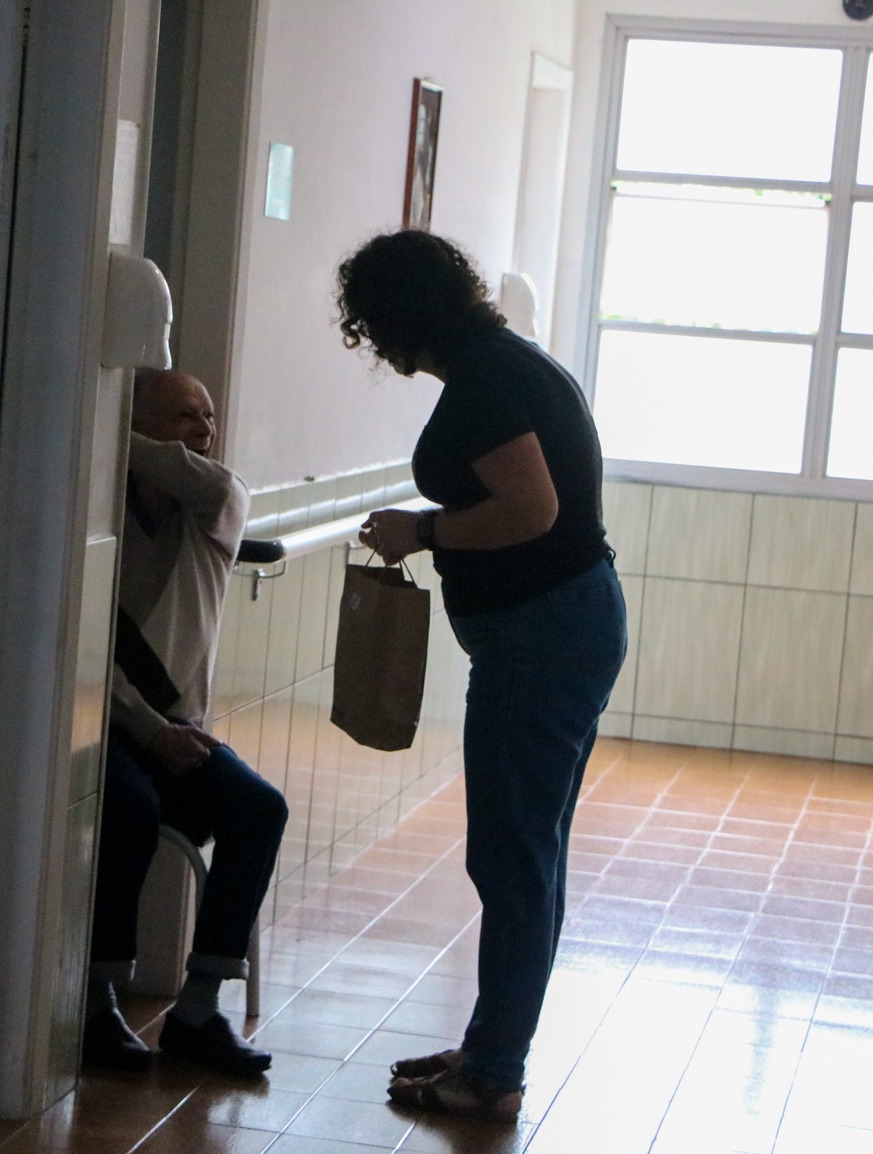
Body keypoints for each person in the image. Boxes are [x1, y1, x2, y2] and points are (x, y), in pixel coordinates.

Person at [336, 230, 627, 1120]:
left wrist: (421, 531)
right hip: (555, 627)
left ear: (396, 317)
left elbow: (530, 510)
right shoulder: (506, 364)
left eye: (368, 324)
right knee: (525, 854)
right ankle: (491, 1046)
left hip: (540, 635)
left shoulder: (489, 381)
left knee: (510, 858)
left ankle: (495, 1069)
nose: (371, 344)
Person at [82, 367, 288, 1077]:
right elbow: (86, 656)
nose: (203, 431)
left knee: (258, 809)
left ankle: (198, 1009)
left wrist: (107, 429)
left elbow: (177, 470)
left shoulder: (218, 500)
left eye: (209, 416)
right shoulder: (95, 518)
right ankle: (98, 1000)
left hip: (178, 726)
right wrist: (148, 731)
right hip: (105, 723)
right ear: (134, 421)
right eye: (182, 417)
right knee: (129, 808)